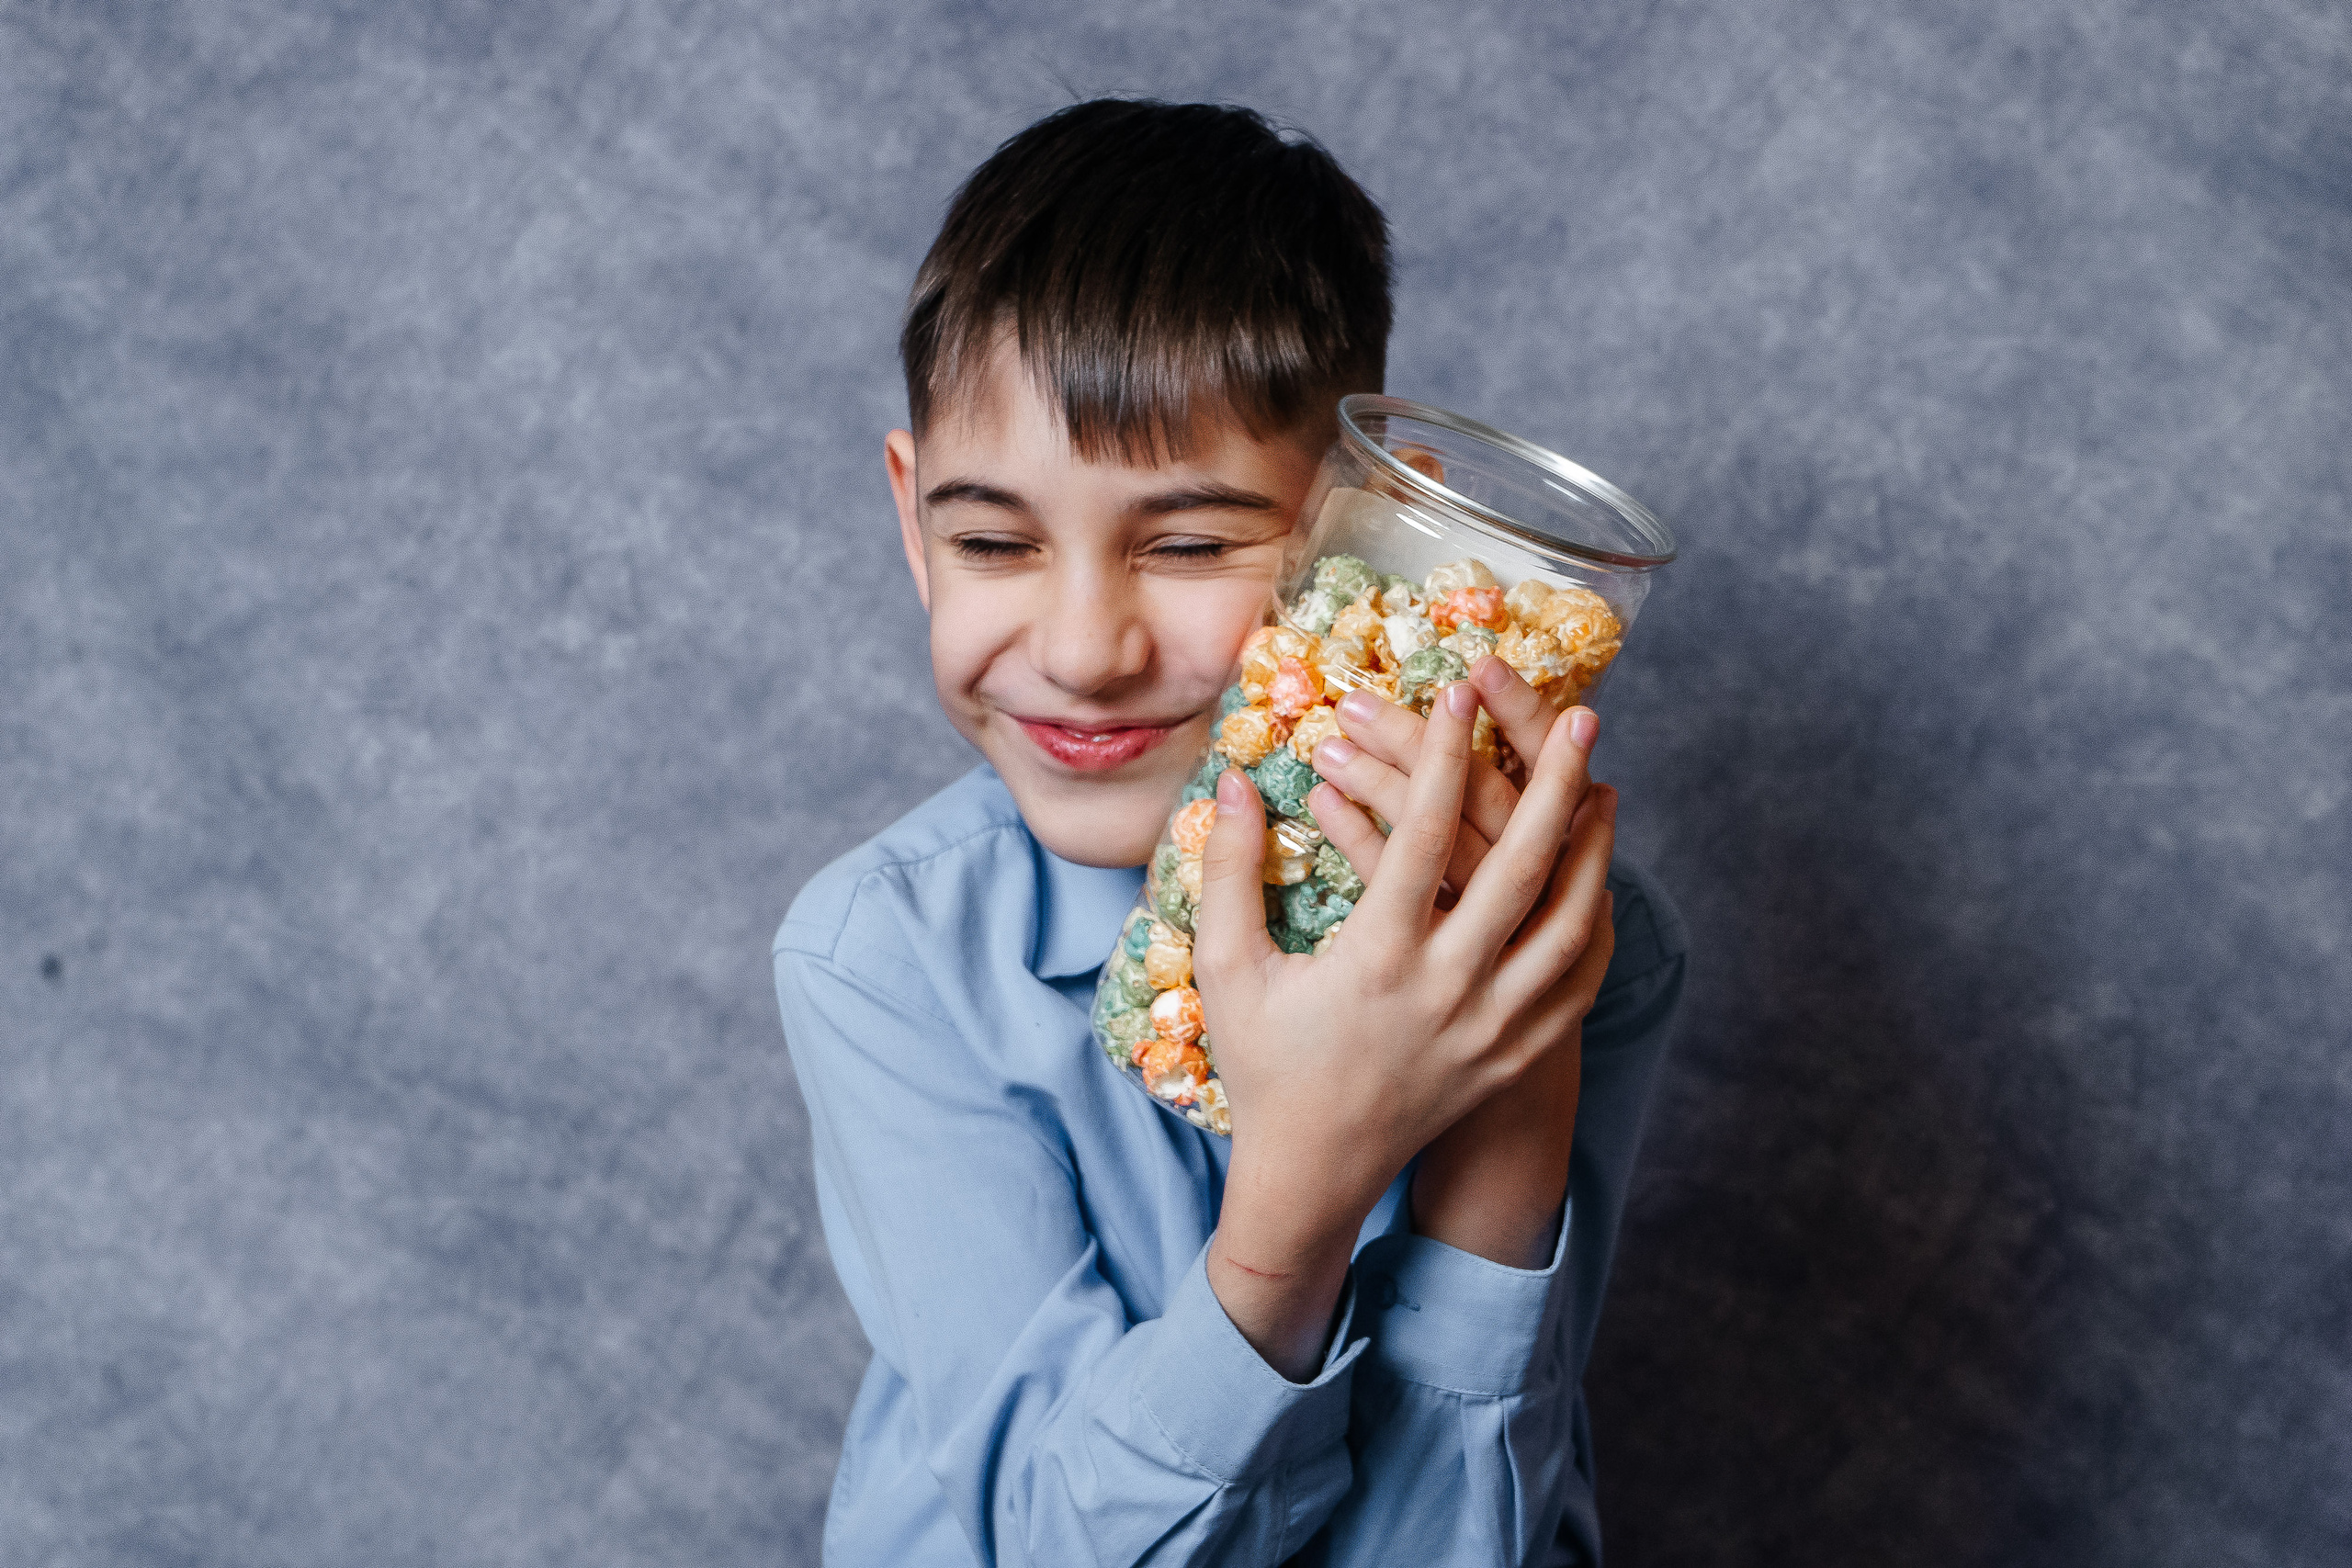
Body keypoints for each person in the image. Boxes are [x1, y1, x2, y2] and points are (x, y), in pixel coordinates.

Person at [775, 98, 1688, 1567]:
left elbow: (1463, 1538)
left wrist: (1512, 1065)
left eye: (1191, 544)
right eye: (994, 541)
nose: (1080, 650)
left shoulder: (1600, 955)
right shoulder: (888, 963)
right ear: (910, 516)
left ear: (1385, 534)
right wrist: (1307, 1183)